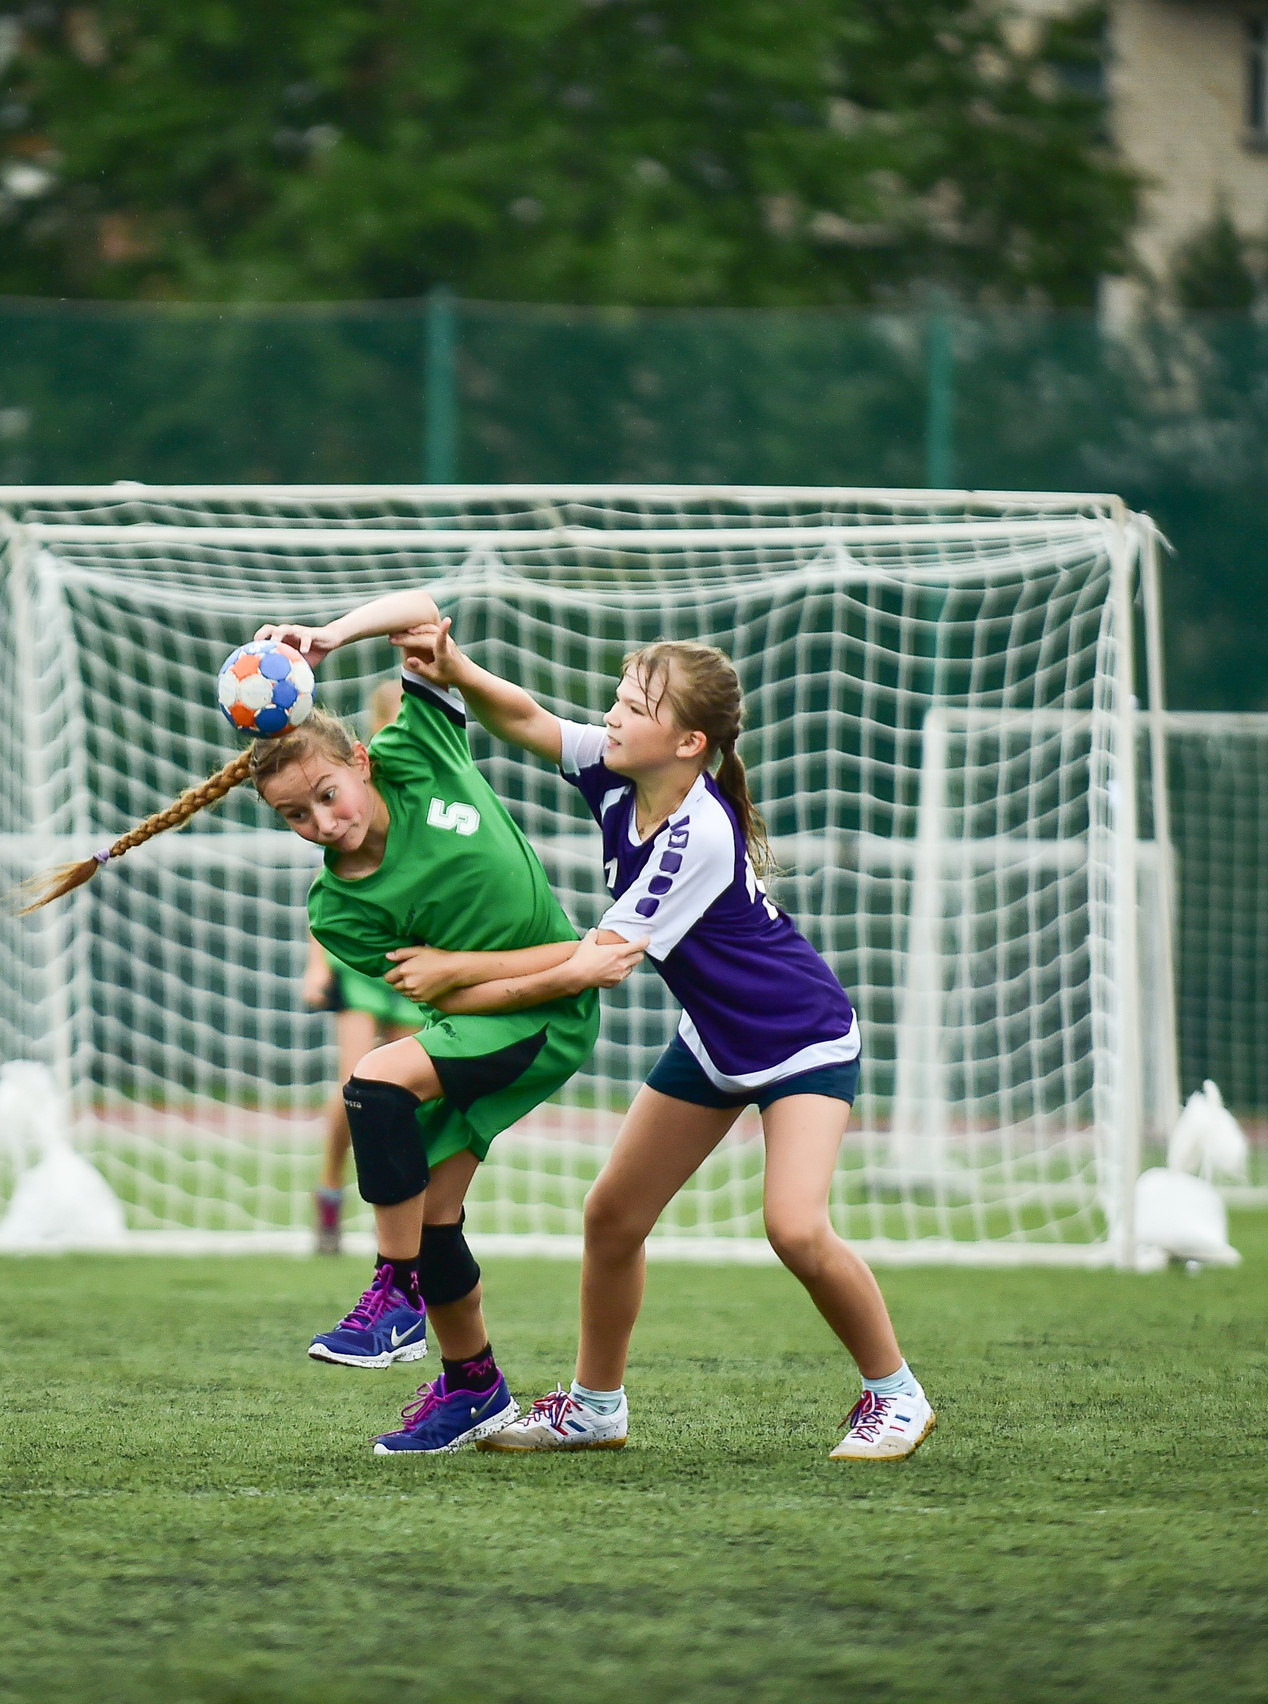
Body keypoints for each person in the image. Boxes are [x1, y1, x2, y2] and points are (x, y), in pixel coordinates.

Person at [29, 591, 642, 1454]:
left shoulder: (418, 750)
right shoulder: (339, 910)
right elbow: (444, 1001)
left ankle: (392, 1298)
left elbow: (422, 614)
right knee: (434, 1217)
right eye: (296, 816)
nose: (323, 822)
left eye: (327, 794)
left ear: (360, 759)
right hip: (487, 1020)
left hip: (544, 1012)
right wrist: (487, 973)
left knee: (371, 1082)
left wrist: (330, 635)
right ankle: (473, 1385)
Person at [393, 624, 933, 1461]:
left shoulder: (699, 832)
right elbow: (529, 719)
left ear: (688, 743)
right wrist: (453, 668)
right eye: (616, 697)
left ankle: (896, 1395)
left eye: (632, 706)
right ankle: (595, 1407)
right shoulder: (617, 774)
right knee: (612, 1217)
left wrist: (456, 972)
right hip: (716, 1042)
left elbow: (595, 964)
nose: (610, 715)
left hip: (800, 1040)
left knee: (793, 1227)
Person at [301, 678, 428, 1258]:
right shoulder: (353, 793)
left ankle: (415, 1219)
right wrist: (317, 963)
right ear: (377, 730)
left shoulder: (429, 789)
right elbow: (334, 884)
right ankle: (330, 1191)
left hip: (418, 961)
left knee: (410, 1092)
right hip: (361, 965)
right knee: (356, 1086)